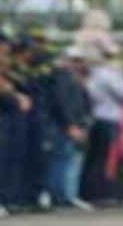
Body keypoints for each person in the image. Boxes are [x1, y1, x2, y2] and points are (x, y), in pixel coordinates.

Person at [82, 39, 123, 207]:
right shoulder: (107, 74)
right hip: (109, 119)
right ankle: (103, 194)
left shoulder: (92, 74)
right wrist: (121, 75)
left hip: (97, 119)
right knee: (107, 160)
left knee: (96, 158)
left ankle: (93, 194)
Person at [44, 46, 93, 212]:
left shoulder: (74, 79)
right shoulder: (61, 77)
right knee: (60, 162)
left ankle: (66, 197)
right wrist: (70, 125)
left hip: (73, 126)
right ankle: (58, 198)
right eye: (75, 61)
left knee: (69, 162)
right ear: (66, 60)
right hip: (61, 127)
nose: (78, 64)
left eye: (80, 61)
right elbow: (62, 104)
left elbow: (81, 104)